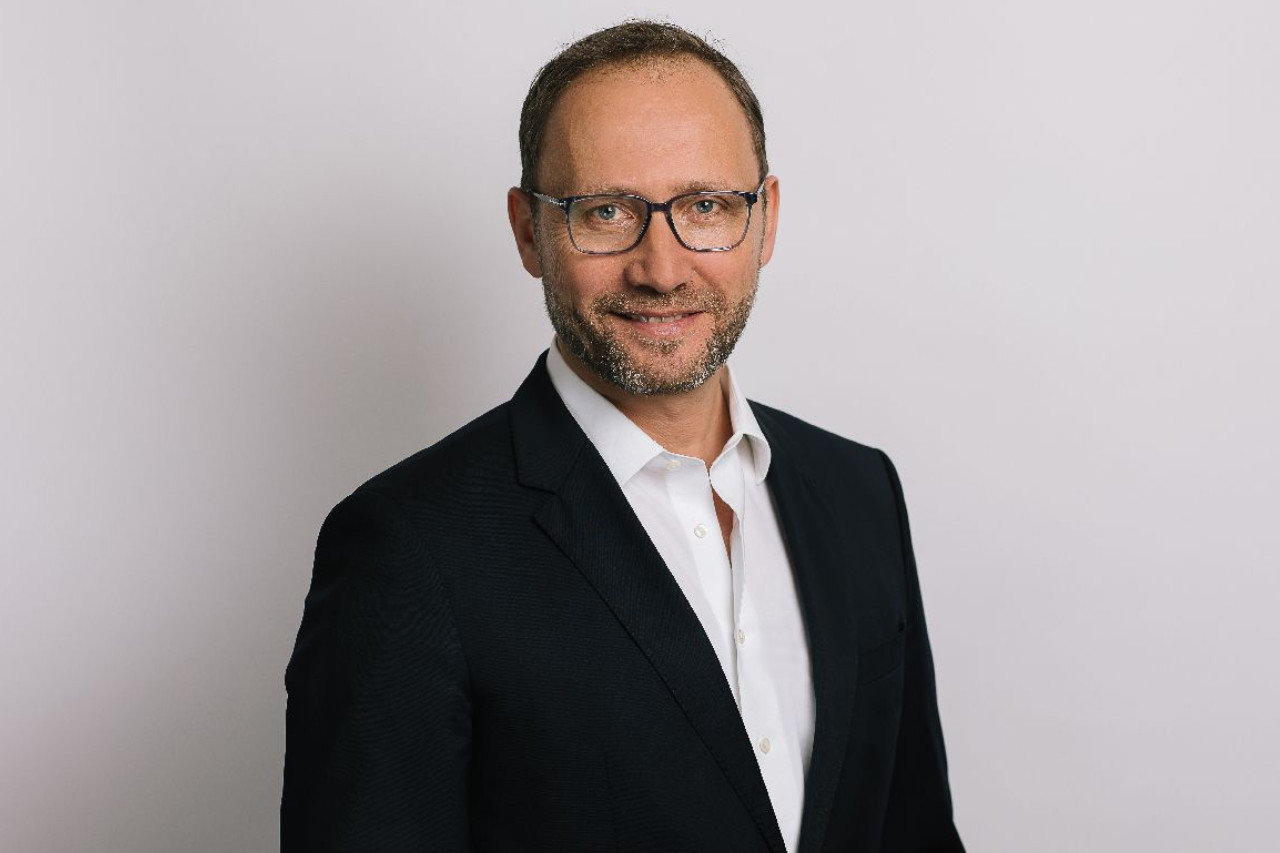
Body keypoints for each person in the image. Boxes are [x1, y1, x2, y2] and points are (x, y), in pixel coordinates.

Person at [282, 20, 965, 853]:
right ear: (528, 231)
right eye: (605, 212)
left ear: (766, 220)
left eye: (706, 206)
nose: (662, 269)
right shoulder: (406, 550)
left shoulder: (859, 492)